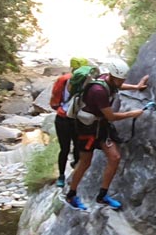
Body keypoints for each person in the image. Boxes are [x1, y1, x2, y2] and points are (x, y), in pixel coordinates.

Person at [64, 56, 149, 212]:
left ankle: (102, 195)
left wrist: (136, 87)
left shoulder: (108, 80)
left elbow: (118, 87)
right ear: (113, 77)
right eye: (120, 80)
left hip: (100, 126)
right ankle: (71, 194)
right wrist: (132, 114)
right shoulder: (98, 91)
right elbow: (111, 116)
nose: (121, 82)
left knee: (115, 157)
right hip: (87, 129)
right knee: (85, 163)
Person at [48, 57, 91, 190]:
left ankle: (62, 176)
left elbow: (54, 101)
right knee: (78, 146)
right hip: (78, 118)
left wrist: (60, 108)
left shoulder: (63, 80)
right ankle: (75, 169)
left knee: (64, 148)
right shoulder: (88, 81)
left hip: (62, 118)